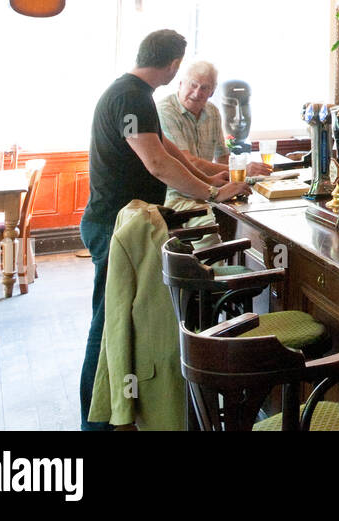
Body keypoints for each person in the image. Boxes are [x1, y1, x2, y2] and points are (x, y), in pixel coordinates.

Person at [79, 30, 249, 431]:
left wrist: (218, 180)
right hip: (114, 225)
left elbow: (174, 154)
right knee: (109, 324)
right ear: (175, 66)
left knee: (122, 320)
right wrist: (214, 192)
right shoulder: (131, 97)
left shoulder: (137, 96)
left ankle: (125, 412)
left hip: (129, 223)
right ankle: (96, 420)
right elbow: (157, 164)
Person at [157, 61, 270, 209]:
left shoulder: (212, 111)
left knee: (252, 208)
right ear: (180, 84)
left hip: (210, 189)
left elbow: (223, 157)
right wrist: (242, 171)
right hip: (177, 195)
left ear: (212, 92)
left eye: (204, 88)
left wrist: (236, 180)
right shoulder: (165, 111)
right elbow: (190, 161)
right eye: (193, 85)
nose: (197, 93)